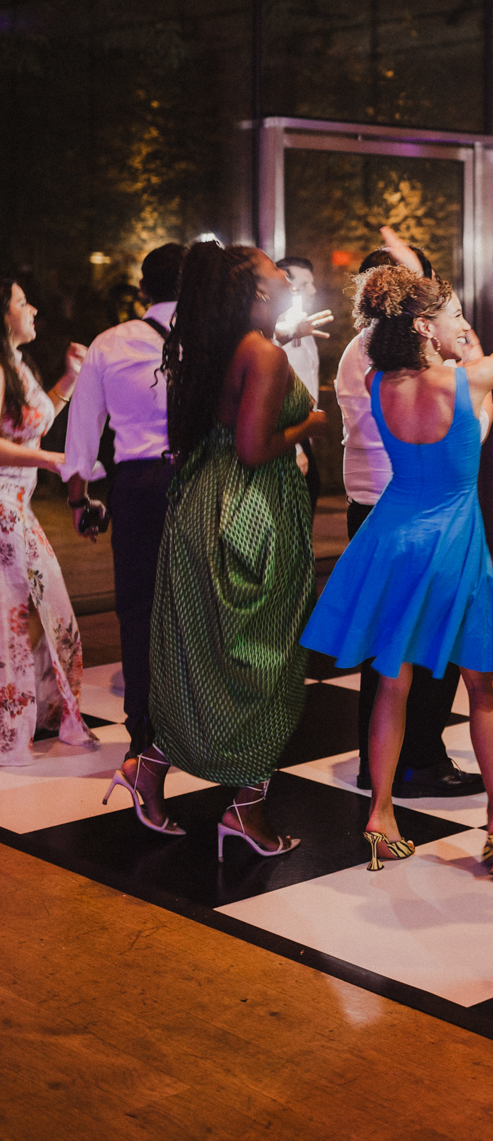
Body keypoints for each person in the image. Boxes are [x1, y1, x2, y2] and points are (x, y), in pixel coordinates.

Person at [301, 226, 493, 876]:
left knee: (391, 686)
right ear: (426, 328)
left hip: (393, 532)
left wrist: (406, 283)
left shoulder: (379, 380)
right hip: (452, 533)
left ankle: (380, 814)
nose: (461, 325)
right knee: (481, 686)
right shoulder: (463, 383)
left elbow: (391, 322)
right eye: (453, 317)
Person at [138, 243, 325, 852]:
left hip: (204, 505)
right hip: (247, 514)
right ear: (257, 292)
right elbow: (254, 447)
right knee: (262, 662)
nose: (281, 270)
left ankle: (149, 770)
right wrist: (313, 424)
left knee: (208, 657)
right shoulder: (262, 354)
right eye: (273, 269)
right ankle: (245, 807)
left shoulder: (222, 347)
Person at [338, 245, 482, 799]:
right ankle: (414, 759)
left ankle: (391, 760)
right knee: (418, 645)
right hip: (400, 502)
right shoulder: (386, 352)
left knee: (394, 645)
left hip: (382, 501)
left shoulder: (370, 347)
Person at [62, 242, 186, 762]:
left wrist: (80, 495)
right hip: (200, 482)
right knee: (199, 609)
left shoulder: (110, 342)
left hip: (137, 486)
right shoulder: (215, 340)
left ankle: (144, 733)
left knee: (138, 611)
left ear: (142, 291)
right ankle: (201, 727)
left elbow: (83, 425)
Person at [0, 280, 93, 766]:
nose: (32, 308)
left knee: (44, 610)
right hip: (2, 508)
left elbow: (34, 421)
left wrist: (69, 380)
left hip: (18, 508)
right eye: (21, 302)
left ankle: (34, 711)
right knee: (16, 617)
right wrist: (50, 461)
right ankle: (11, 723)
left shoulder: (17, 367)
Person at [275, 256, 333, 516]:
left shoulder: (305, 326)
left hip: (303, 431)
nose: (312, 290)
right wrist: (296, 448)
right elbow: (275, 392)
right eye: (303, 284)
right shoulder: (274, 329)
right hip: (285, 436)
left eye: (312, 283)